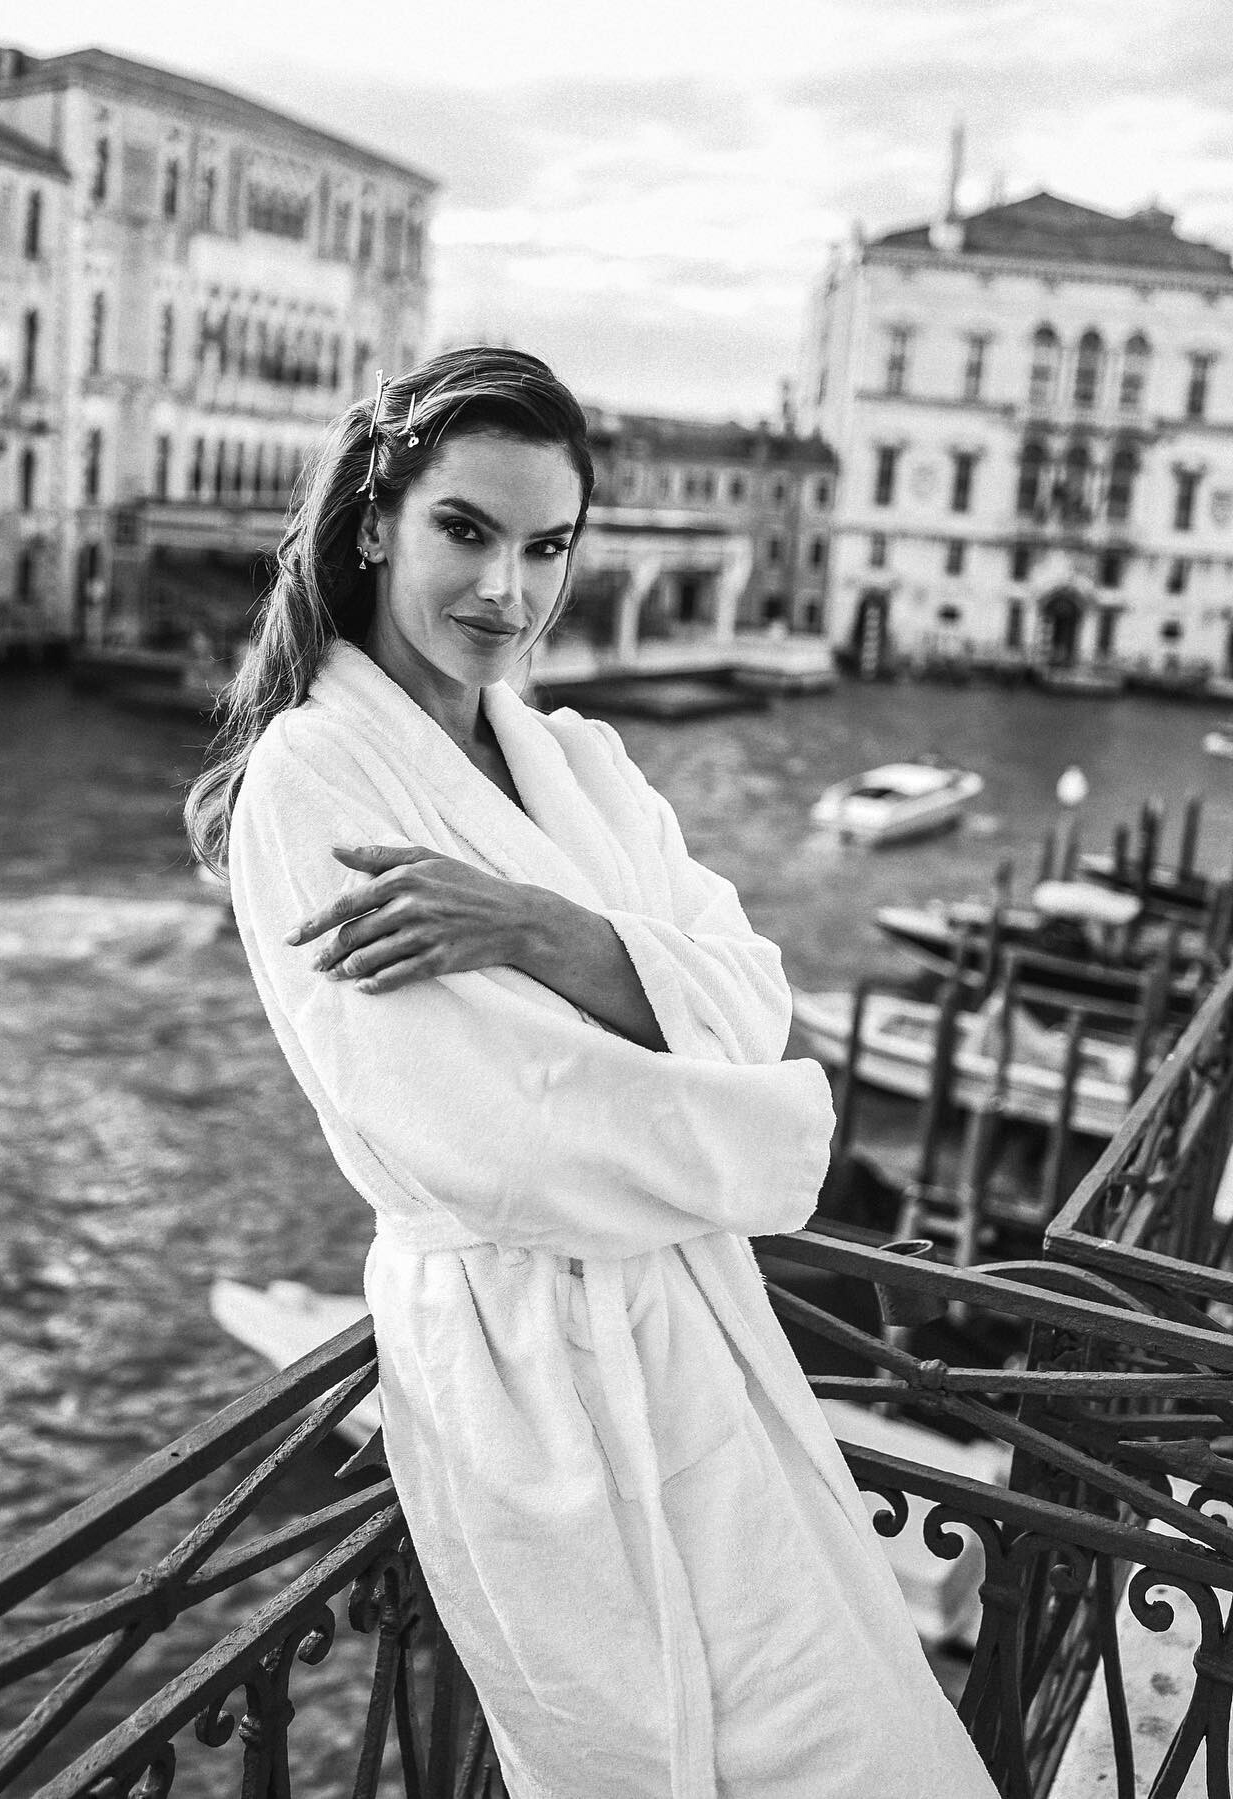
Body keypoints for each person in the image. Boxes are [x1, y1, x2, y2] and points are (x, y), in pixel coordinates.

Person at [185, 346, 997, 1799]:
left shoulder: (585, 764)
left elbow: (757, 1005)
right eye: (466, 530)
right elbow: (500, 1141)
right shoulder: (312, 782)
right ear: (374, 525)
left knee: (857, 1739)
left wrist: (541, 931)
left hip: (699, 1326)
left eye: (547, 546)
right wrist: (752, 1124)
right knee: (660, 1758)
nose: (508, 590)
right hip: (523, 1369)